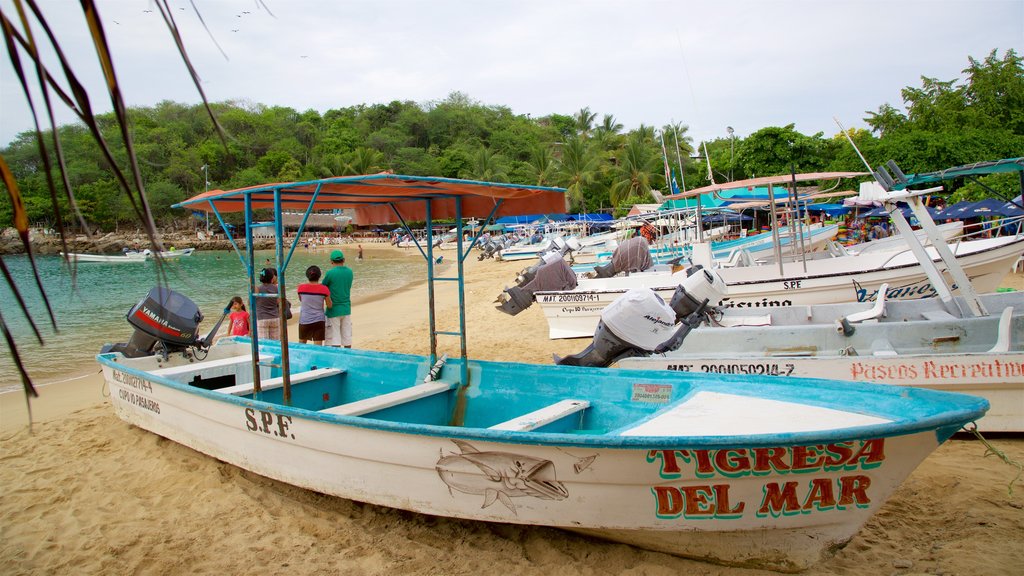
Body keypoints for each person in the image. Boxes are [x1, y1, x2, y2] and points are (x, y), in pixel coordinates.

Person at [322, 249, 354, 348]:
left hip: (333, 309)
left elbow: (323, 288)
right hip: (346, 308)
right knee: (347, 337)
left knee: (334, 338)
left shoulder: (330, 273)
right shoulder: (350, 272)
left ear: (331, 261)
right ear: (343, 260)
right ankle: (348, 357)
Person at [296, 265, 332, 345]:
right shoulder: (324, 289)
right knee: (318, 347)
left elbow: (301, 300)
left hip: (304, 319)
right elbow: (329, 305)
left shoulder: (300, 288)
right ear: (319, 276)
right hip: (319, 320)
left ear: (307, 275)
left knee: (301, 345)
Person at [255, 268, 288, 341]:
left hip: (262, 318)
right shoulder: (276, 288)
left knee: (264, 343)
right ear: (271, 278)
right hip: (275, 317)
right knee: (275, 343)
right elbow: (279, 301)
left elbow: (250, 302)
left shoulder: (257, 288)